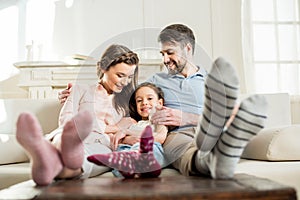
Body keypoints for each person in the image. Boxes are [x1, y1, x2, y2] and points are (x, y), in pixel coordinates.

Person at [59, 24, 268, 179]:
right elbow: (122, 93)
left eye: (170, 53)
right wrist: (77, 94)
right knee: (183, 149)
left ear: (188, 49)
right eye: (162, 53)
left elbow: (232, 115)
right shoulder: (154, 82)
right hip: (175, 134)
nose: (165, 59)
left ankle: (221, 147)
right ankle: (212, 161)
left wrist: (187, 117)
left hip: (210, 127)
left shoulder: (213, 80)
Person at [16, 44, 141, 186]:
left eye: (130, 77)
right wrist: (115, 127)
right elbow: (66, 120)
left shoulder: (128, 103)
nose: (125, 82)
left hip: (101, 145)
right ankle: (56, 149)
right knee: (64, 133)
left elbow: (135, 128)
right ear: (104, 67)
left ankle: (44, 164)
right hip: (72, 134)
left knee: (85, 158)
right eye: (120, 75)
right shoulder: (80, 89)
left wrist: (121, 130)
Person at [88, 82, 168, 178]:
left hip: (150, 148)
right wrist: (124, 137)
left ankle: (143, 163)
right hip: (125, 149)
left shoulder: (158, 121)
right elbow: (114, 137)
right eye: (139, 100)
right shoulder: (130, 122)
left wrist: (127, 132)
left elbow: (160, 137)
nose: (144, 102)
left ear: (160, 103)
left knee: (151, 150)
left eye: (150, 98)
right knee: (122, 154)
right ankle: (129, 166)